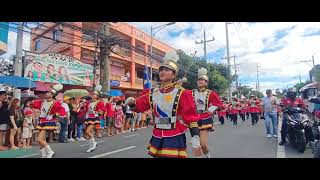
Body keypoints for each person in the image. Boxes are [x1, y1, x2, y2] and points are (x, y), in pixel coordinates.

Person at [125, 51, 202, 158]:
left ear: (174, 74)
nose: (162, 72)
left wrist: (195, 137)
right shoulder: (153, 92)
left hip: (174, 134)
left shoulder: (182, 93)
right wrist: (132, 103)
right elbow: (140, 106)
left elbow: (191, 117)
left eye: (167, 70)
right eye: (161, 69)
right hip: (157, 134)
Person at [192, 67, 222, 158]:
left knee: (203, 144)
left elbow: (218, 103)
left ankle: (207, 152)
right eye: (199, 79)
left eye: (202, 80)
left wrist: (211, 109)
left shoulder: (210, 93)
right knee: (196, 143)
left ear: (206, 82)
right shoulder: (191, 92)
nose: (200, 81)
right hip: (194, 118)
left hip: (205, 118)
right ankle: (199, 156)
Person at [31, 84, 65, 158]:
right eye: (47, 92)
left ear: (52, 94)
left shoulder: (55, 103)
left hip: (48, 122)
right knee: (41, 140)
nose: (46, 93)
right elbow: (32, 105)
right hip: (41, 121)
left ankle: (50, 152)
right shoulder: (42, 101)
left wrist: (53, 115)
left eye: (48, 92)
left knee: (40, 139)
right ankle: (44, 155)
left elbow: (62, 111)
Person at [83, 85, 107, 152]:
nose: (93, 95)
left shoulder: (99, 102)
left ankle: (93, 144)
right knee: (89, 132)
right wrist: (83, 107)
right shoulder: (89, 103)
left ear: (97, 96)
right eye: (92, 94)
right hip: (88, 118)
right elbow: (86, 110)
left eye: (94, 94)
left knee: (87, 131)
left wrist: (97, 112)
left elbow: (103, 110)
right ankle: (91, 145)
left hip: (94, 118)